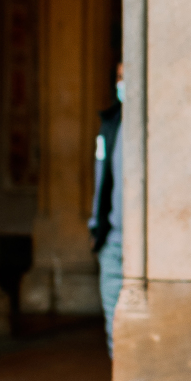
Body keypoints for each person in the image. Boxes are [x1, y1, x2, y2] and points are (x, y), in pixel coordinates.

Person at [89, 63, 123, 355]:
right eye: (119, 77)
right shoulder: (110, 124)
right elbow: (101, 178)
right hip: (112, 238)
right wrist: (95, 224)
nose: (122, 84)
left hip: (144, 241)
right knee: (112, 314)